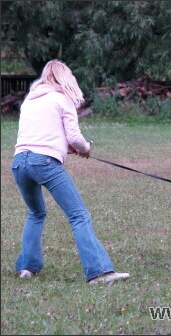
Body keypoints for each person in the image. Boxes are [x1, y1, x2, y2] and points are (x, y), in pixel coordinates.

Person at [11, 59, 130, 284]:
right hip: (44, 163)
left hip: (19, 162)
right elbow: (75, 137)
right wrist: (85, 149)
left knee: (35, 213)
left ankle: (27, 267)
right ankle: (99, 272)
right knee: (79, 216)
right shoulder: (61, 98)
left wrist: (65, 148)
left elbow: (39, 134)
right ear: (66, 78)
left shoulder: (30, 100)